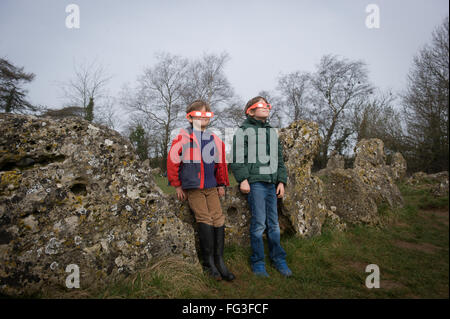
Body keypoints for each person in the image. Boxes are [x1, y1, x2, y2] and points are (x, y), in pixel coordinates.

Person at [167, 100, 235, 281]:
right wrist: (177, 184)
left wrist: (221, 183)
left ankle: (219, 259)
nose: (202, 118)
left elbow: (220, 164)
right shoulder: (183, 137)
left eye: (206, 115)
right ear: (190, 117)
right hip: (194, 188)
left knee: (218, 217)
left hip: (211, 187)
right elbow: (173, 161)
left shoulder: (214, 139)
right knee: (204, 217)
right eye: (198, 114)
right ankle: (208, 262)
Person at [229, 96, 292, 277]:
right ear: (250, 110)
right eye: (261, 105)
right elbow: (237, 157)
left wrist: (281, 181)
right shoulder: (243, 130)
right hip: (255, 183)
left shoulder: (271, 132)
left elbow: (279, 158)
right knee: (258, 224)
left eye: (268, 105)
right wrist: (243, 179)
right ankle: (258, 262)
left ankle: (278, 259)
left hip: (272, 184)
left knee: (273, 224)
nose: (266, 108)